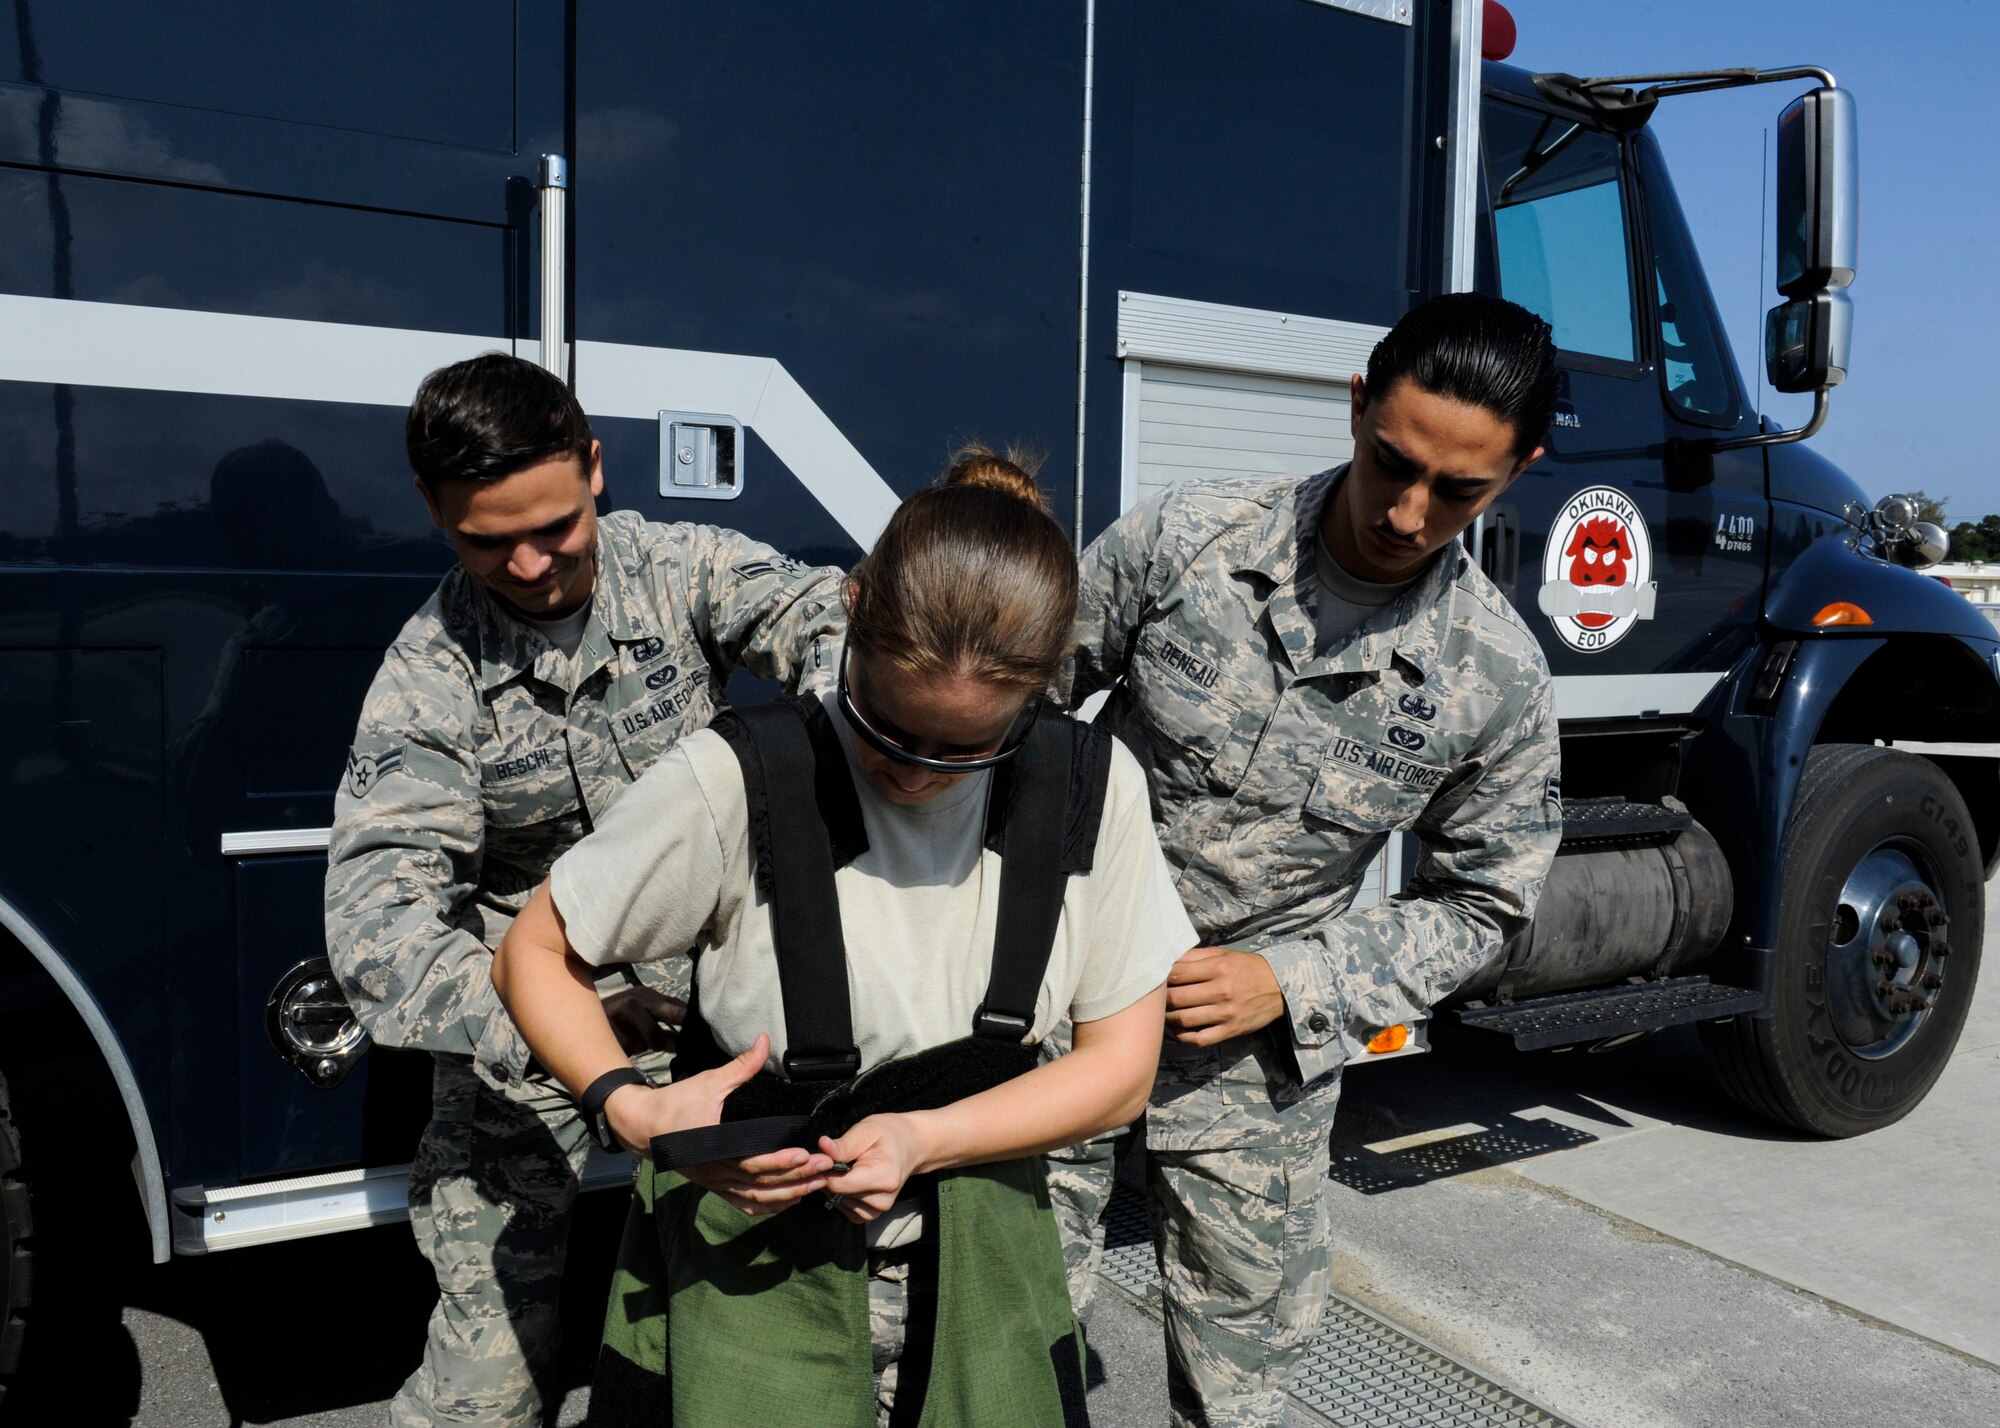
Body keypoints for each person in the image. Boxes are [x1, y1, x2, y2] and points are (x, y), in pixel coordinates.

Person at [490, 448, 1195, 1427]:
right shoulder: (737, 779)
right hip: (748, 1282)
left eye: (964, 751)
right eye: (886, 728)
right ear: (851, 610)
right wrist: (632, 1111)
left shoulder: (1088, 788)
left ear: (1039, 691)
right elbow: (535, 952)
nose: (912, 775)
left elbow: (1118, 1069)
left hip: (985, 1271)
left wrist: (923, 1136)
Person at [1049, 292, 1566, 1426]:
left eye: (1460, 491)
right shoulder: (1185, 542)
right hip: (1062, 1001)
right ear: (1354, 406)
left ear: (1517, 471)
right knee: (1005, 1329)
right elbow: (1012, 713)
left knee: (1241, 1378)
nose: (1408, 512)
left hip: (1249, 1053)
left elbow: (1486, 899)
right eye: (1393, 463)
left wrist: (1289, 981)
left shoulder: (1492, 675)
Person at [324, 352, 845, 1428]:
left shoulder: (680, 568)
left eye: (554, 528)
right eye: (485, 539)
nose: (525, 564)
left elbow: (837, 633)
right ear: (430, 508)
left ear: (596, 469)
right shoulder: (430, 672)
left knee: (773, 1321)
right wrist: (560, 1023)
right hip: (524, 1024)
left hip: (712, 995)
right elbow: (378, 922)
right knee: (485, 1387)